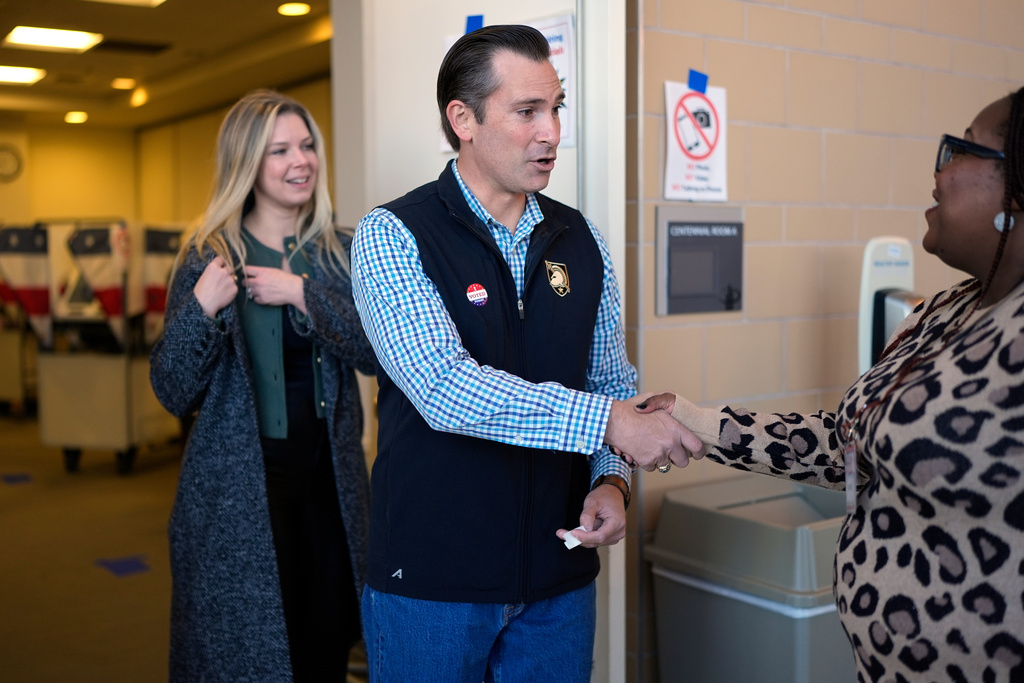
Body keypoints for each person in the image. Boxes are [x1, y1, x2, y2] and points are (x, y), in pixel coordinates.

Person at [350, 24, 701, 682]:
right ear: (464, 119)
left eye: (556, 108)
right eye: (526, 111)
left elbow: (609, 380)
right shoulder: (392, 235)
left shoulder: (582, 241)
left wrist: (610, 479)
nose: (551, 133)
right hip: (432, 582)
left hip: (556, 580)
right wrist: (608, 423)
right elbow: (444, 389)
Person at [636, 87, 1024, 682]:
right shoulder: (942, 311)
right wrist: (700, 422)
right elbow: (845, 448)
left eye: (960, 149)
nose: (938, 169)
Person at [150, 89, 377, 682]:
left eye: (306, 146)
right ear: (248, 162)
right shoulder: (208, 257)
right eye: (279, 150)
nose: (300, 161)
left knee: (324, 640)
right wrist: (201, 310)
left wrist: (304, 294)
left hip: (330, 485)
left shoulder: (341, 253)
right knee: (245, 656)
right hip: (237, 491)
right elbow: (174, 391)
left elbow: (378, 357)